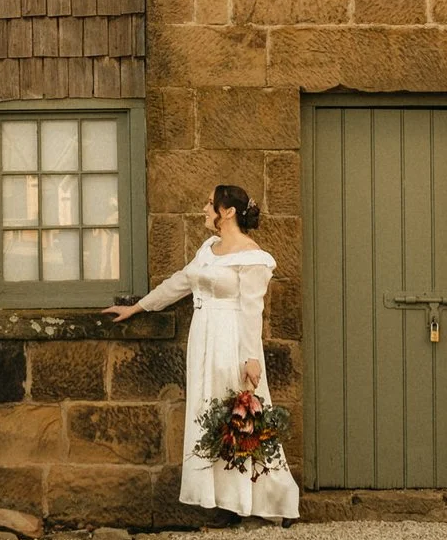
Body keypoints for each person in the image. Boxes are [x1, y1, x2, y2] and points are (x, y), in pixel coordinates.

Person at [102, 182, 300, 522]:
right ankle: (224, 501)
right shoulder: (209, 248)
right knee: (208, 414)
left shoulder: (253, 259)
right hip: (203, 339)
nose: (205, 209)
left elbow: (253, 310)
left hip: (232, 340)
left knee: (242, 416)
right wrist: (139, 307)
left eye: (210, 204)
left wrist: (251, 358)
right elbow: (181, 282)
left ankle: (275, 500)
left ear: (228, 212)